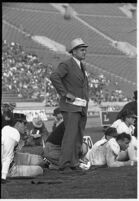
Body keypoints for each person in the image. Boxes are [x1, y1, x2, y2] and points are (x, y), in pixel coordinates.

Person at [50, 38, 89, 172]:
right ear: (73, 52)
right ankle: (65, 164)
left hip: (81, 106)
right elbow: (54, 77)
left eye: (85, 50)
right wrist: (64, 93)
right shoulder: (66, 64)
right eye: (82, 50)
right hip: (71, 106)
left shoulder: (81, 66)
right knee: (70, 136)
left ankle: (74, 163)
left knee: (78, 135)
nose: (85, 52)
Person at [1, 114, 44, 184]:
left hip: (10, 158)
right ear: (17, 124)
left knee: (38, 159)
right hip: (7, 166)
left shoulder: (9, 131)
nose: (26, 126)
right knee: (39, 170)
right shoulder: (11, 135)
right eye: (24, 123)